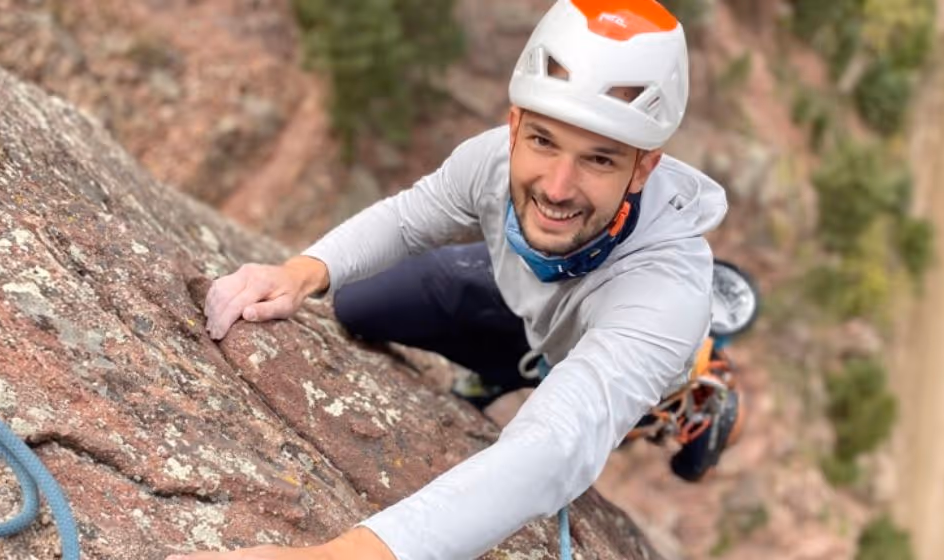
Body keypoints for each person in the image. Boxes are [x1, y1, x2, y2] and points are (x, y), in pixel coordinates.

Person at [171, 1, 731, 558]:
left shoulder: (666, 292)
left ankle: (699, 392)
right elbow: (409, 217)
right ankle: (511, 365)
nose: (558, 187)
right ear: (515, 126)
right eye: (543, 141)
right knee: (360, 303)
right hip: (527, 306)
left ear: (643, 168)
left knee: (606, 408)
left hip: (616, 334)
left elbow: (557, 446)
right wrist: (301, 272)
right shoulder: (491, 160)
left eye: (599, 160)